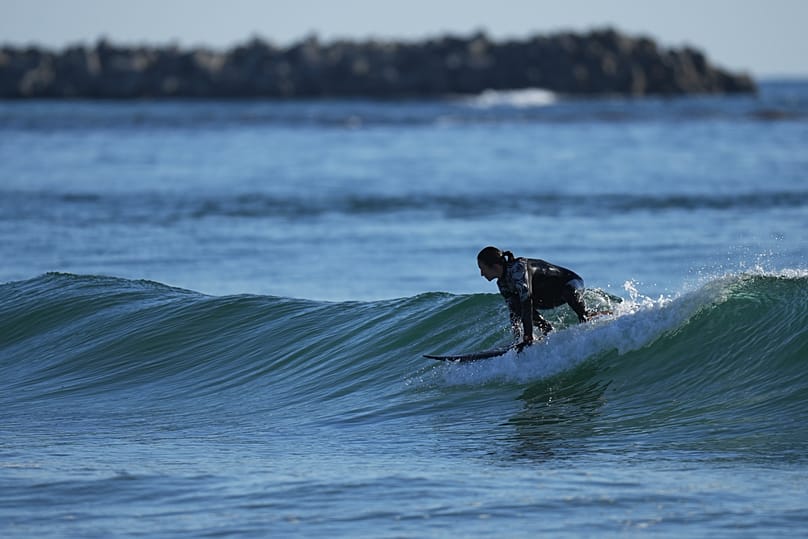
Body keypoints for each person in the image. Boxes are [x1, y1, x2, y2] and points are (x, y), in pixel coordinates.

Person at [477, 246, 588, 349]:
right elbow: (514, 313)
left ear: (495, 266)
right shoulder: (502, 283)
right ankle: (547, 330)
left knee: (567, 291)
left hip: (571, 284)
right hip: (547, 297)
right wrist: (517, 339)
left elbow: (526, 302)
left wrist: (527, 337)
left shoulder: (519, 268)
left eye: (483, 268)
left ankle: (586, 318)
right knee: (515, 305)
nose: (482, 274)